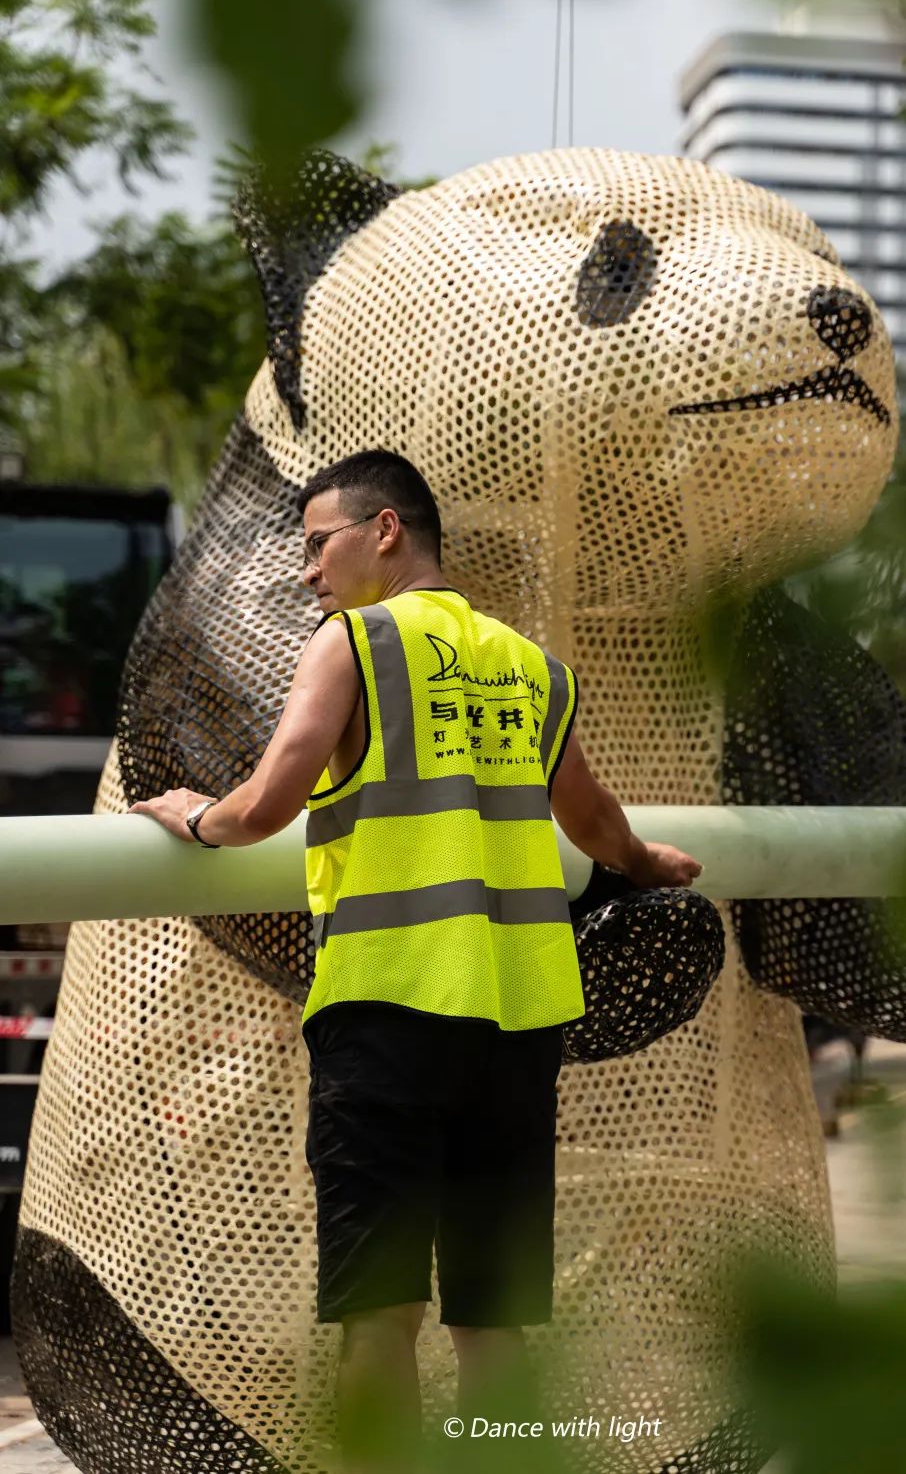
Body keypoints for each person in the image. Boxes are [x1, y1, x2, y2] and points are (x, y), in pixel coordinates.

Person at [130, 449, 702, 1472]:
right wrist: (647, 862)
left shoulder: (355, 642)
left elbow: (268, 803)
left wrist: (194, 814)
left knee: (378, 1319)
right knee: (492, 1324)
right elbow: (600, 822)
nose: (308, 572)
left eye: (317, 544)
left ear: (384, 531)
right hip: (518, 1027)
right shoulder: (530, 667)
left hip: (388, 1015)